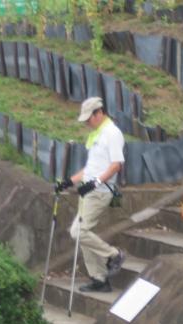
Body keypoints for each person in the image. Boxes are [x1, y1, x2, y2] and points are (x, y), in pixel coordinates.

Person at [54, 97, 126, 294]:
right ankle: (99, 279)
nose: (87, 122)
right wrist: (69, 182)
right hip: (88, 190)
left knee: (78, 232)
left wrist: (95, 183)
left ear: (99, 113)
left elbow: (116, 165)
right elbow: (90, 168)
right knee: (83, 234)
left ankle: (114, 255)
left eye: (89, 118)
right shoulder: (97, 134)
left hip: (100, 192)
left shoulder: (112, 133)